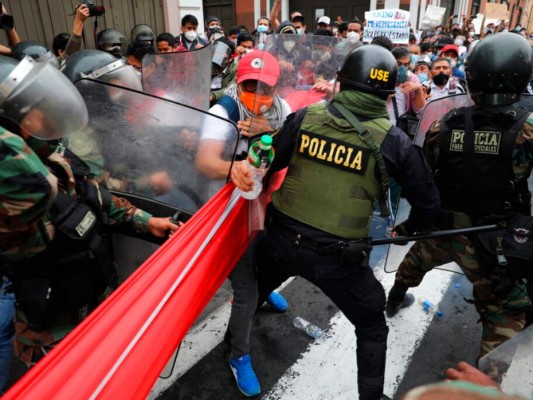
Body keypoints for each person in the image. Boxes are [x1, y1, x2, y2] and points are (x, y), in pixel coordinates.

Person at [231, 44, 440, 400]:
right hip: (337, 261)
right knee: (372, 326)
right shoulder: (394, 143)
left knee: (255, 290)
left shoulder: (305, 117)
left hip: (279, 241)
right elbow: (430, 209)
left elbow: (270, 165)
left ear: (341, 83)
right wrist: (407, 230)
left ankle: (234, 347)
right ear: (388, 94)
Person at [0, 55, 179, 373]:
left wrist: (146, 221)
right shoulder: (16, 192)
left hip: (94, 300)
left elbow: (95, 197)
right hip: (53, 331)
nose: (45, 113)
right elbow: (39, 186)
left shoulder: (55, 159)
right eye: (30, 110)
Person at [385, 33, 533, 358]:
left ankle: (394, 298)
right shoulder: (528, 129)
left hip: (445, 230)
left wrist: (411, 225)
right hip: (496, 242)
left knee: (413, 264)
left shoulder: (443, 125)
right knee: (505, 321)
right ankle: (482, 385)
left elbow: (425, 182)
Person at [197, 50, 291, 397]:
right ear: (238, 83)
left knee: (268, 261)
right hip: (227, 212)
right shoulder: (224, 111)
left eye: (265, 88)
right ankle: (239, 355)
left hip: (265, 206)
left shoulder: (282, 111)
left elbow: (291, 144)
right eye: (249, 86)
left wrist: (271, 129)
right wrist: (230, 168)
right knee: (246, 290)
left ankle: (267, 292)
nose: (258, 95)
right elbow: (205, 161)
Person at [52, 3, 90, 69]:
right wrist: (79, 21)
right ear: (60, 52)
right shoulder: (55, 68)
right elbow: (69, 54)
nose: (76, 52)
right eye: (70, 46)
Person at [210, 37, 237, 106]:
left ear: (230, 58)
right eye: (216, 51)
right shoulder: (207, 66)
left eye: (221, 53)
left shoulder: (235, 69)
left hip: (225, 105)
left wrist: (212, 95)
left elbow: (230, 89)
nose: (217, 55)